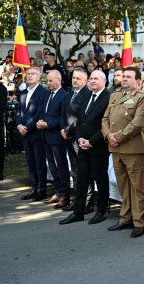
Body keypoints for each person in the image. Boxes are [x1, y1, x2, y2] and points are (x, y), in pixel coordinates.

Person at [102, 67, 144, 238]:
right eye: (123, 76)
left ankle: (139, 222)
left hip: (134, 148)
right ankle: (125, 218)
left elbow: (137, 123)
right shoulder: (115, 96)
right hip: (116, 148)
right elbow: (105, 118)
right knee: (123, 185)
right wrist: (108, 135)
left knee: (137, 187)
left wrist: (118, 137)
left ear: (138, 81)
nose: (124, 79)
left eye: (128, 77)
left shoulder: (143, 97)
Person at [59, 70, 111, 225]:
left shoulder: (109, 97)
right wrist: (80, 138)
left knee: (100, 180)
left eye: (96, 78)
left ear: (104, 80)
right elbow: (80, 119)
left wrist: (91, 142)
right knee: (82, 179)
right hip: (83, 144)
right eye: (91, 79)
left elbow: (106, 124)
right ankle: (78, 211)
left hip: (98, 146)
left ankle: (101, 211)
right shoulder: (87, 95)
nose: (93, 81)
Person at [36, 70, 70, 209]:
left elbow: (63, 117)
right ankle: (58, 191)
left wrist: (48, 124)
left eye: (50, 81)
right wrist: (40, 122)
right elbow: (45, 113)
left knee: (61, 168)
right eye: (47, 81)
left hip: (57, 138)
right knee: (53, 168)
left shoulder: (64, 96)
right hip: (46, 137)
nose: (48, 83)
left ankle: (65, 196)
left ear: (59, 80)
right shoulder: (49, 95)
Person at [16, 67, 50, 201]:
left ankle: (42, 190)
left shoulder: (44, 92)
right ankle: (34, 188)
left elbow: (40, 113)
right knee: (30, 163)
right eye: (28, 74)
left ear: (39, 76)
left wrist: (27, 127)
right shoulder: (23, 92)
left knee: (39, 163)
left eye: (33, 74)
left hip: (36, 133)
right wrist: (19, 125)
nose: (29, 76)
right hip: (24, 134)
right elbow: (19, 111)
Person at [60, 69, 89, 204]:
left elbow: (82, 117)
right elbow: (63, 115)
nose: (74, 80)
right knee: (75, 170)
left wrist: (69, 130)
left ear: (85, 80)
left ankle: (86, 202)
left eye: (78, 78)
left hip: (78, 137)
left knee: (84, 170)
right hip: (68, 137)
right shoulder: (69, 94)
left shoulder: (86, 94)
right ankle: (77, 200)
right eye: (73, 78)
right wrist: (63, 129)